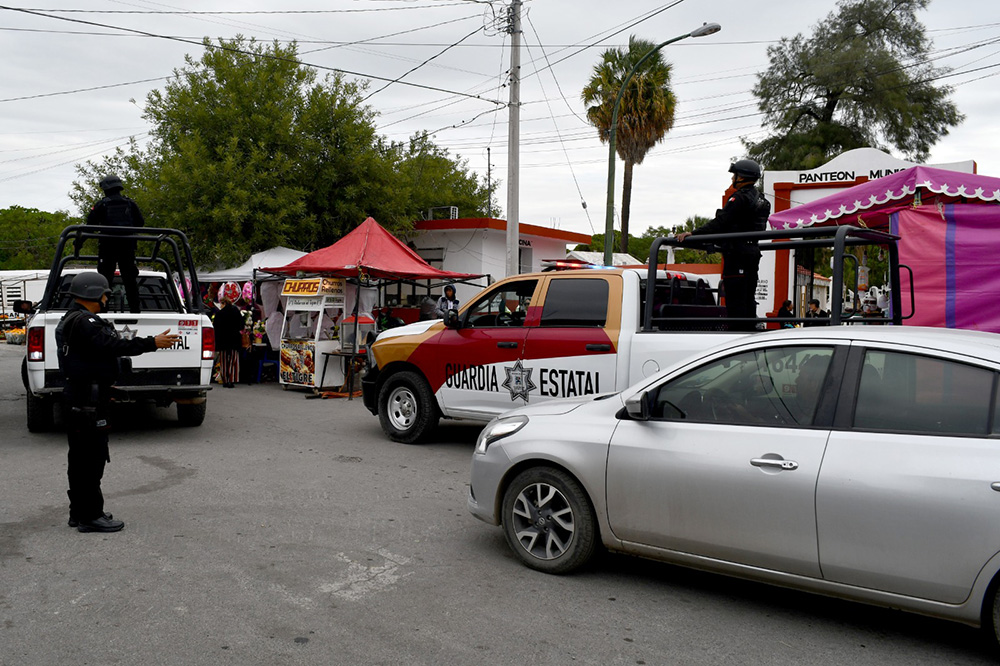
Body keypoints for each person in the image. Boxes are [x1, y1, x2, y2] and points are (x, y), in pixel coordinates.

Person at [55, 272, 180, 533]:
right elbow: (113, 344)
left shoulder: (73, 319)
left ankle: (79, 511)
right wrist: (152, 343)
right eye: (104, 294)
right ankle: (91, 516)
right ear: (92, 294)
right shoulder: (86, 322)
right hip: (88, 401)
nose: (106, 298)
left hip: (80, 398)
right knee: (91, 459)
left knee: (79, 459)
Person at [676, 159, 770, 331]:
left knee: (735, 296)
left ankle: (737, 332)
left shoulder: (739, 198)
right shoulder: (762, 200)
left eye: (734, 175)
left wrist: (694, 234)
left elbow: (721, 222)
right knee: (748, 295)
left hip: (737, 254)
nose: (732, 178)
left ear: (741, 177)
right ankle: (748, 329)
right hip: (752, 252)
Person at [79, 174, 146, 314]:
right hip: (127, 247)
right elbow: (140, 223)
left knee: (105, 281)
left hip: (107, 248)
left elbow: (90, 226)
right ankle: (135, 311)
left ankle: (103, 311)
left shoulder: (101, 205)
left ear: (105, 188)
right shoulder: (130, 203)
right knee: (130, 281)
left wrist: (78, 242)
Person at [213, 294, 245, 388]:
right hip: (234, 340)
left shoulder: (219, 314)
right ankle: (232, 380)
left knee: (224, 362)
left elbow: (216, 328)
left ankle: (225, 380)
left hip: (223, 341)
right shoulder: (236, 311)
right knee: (233, 361)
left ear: (224, 303)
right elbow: (241, 325)